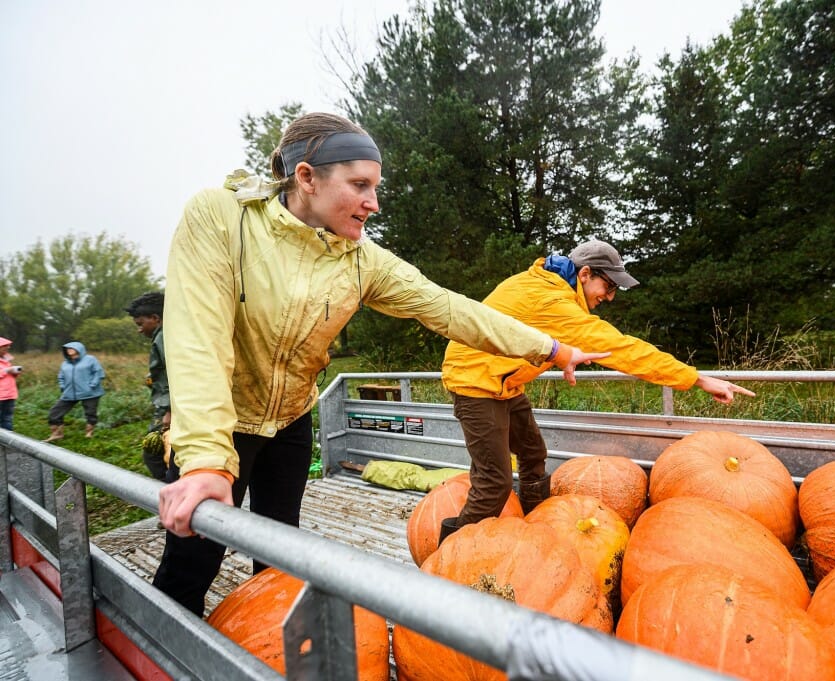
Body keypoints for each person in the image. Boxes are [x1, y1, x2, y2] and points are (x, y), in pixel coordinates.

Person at [154, 111, 608, 617]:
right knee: (194, 556)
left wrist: (550, 348)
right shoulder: (221, 218)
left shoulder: (360, 259)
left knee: (280, 550)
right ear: (307, 178)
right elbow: (199, 340)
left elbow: (452, 309)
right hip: (221, 422)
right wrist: (206, 459)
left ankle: (272, 646)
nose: (374, 202)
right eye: (360, 185)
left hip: (290, 420)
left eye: (376, 186)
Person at [439, 240, 757, 540]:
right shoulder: (552, 300)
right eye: (608, 286)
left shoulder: (547, 287)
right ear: (585, 273)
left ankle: (533, 524)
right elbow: (623, 350)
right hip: (476, 382)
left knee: (533, 453)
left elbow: (526, 331)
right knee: (495, 481)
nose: (610, 296)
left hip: (504, 381)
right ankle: (450, 559)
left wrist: (558, 357)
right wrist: (697, 379)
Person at [125, 292, 172, 480]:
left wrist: (170, 410)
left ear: (155, 318)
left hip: (169, 409)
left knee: (153, 452)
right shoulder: (165, 335)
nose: (139, 330)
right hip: (168, 406)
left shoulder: (163, 338)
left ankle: (170, 491)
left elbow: (175, 374)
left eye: (140, 324)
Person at [44, 341, 106, 441]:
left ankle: (89, 433)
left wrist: (92, 385)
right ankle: (57, 434)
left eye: (71, 348)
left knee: (90, 413)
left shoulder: (90, 359)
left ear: (79, 349)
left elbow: (98, 372)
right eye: (67, 349)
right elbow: (61, 376)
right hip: (69, 392)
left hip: (90, 392)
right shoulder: (65, 363)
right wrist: (62, 386)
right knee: (55, 412)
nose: (69, 350)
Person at [0, 337, 21, 431]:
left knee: (7, 419)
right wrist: (7, 370)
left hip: (10, 395)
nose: (7, 348)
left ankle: (7, 443)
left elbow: (10, 377)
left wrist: (15, 372)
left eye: (8, 347)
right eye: (4, 347)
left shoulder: (7, 361)